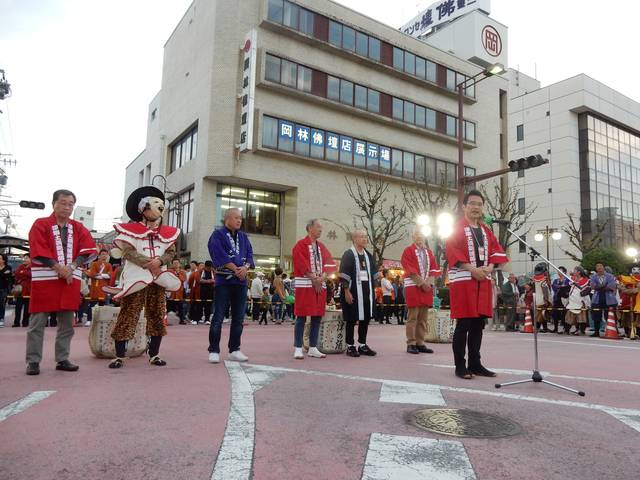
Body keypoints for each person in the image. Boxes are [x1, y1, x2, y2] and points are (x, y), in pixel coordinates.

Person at [105, 186, 180, 368]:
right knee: (129, 313)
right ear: (143, 209)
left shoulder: (167, 232)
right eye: (153, 205)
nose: (158, 209)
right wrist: (149, 262)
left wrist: (160, 260)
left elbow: (171, 252)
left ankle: (154, 354)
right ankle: (119, 355)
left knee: (157, 314)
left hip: (159, 278)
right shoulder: (131, 230)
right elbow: (127, 252)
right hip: (136, 278)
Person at [25, 189, 98, 375]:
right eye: (63, 203)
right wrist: (59, 267)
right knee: (37, 322)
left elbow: (87, 249)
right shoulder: (41, 224)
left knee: (67, 323)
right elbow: (37, 248)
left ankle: (62, 358)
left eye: (70, 204)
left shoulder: (78, 227)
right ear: (53, 204)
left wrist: (71, 267)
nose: (67, 207)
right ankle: (33, 361)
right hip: (45, 279)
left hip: (69, 280)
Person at [445, 190, 508, 379]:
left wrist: (489, 267)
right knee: (463, 323)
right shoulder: (457, 228)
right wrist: (472, 269)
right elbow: (452, 251)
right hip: (464, 280)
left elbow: (497, 250)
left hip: (483, 281)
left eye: (479, 204)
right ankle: (460, 366)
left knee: (478, 324)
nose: (476, 207)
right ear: (464, 207)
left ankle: (475, 363)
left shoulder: (486, 230)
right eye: (472, 203)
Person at [207, 207, 254, 363]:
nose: (239, 220)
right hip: (224, 281)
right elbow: (217, 252)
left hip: (240, 282)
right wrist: (235, 268)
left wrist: (245, 268)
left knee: (239, 318)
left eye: (240, 218)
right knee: (218, 316)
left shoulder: (243, 236)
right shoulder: (217, 235)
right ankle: (213, 350)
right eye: (236, 217)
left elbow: (249, 254)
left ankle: (234, 349)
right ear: (227, 218)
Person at [291, 219, 336, 359]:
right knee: (301, 316)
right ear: (310, 228)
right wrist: (313, 278)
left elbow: (329, 263)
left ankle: (313, 347)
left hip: (319, 285)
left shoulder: (322, 247)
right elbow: (300, 262)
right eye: (318, 227)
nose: (320, 230)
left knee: (317, 316)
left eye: (321, 227)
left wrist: (321, 278)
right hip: (305, 285)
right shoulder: (300, 245)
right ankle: (298, 347)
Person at [338, 230, 379, 357]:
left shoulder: (368, 255)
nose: (365, 239)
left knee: (365, 319)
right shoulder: (348, 254)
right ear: (354, 239)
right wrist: (346, 291)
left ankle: (362, 344)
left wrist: (375, 290)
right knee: (351, 319)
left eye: (366, 237)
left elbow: (373, 273)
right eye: (362, 237)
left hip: (367, 293)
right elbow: (344, 274)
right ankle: (350, 346)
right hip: (353, 292)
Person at [401, 227, 441, 354]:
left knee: (423, 317)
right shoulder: (408, 251)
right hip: (413, 286)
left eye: (421, 234)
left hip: (426, 288)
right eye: (417, 234)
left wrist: (429, 283)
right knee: (413, 317)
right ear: (413, 237)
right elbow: (409, 269)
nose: (419, 237)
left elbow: (434, 269)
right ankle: (411, 343)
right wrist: (422, 283)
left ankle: (420, 342)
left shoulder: (429, 252)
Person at [589, 262, 617, 337]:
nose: (599, 268)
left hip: (609, 298)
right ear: (596, 269)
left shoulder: (610, 276)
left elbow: (612, 286)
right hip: (597, 298)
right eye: (597, 266)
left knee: (610, 315)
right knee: (596, 316)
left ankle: (613, 330)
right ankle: (596, 331)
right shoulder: (593, 277)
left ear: (603, 267)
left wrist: (599, 287)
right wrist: (603, 286)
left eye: (601, 266)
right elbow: (593, 286)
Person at [86, 248, 112, 325]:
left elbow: (110, 275)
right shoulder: (94, 263)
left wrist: (100, 275)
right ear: (99, 255)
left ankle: (101, 320)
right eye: (103, 254)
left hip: (104, 287)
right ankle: (89, 320)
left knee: (102, 304)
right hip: (95, 286)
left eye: (106, 254)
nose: (104, 256)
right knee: (92, 303)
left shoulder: (109, 265)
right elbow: (92, 274)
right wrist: (103, 275)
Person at [565, 266, 590, 335]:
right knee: (569, 316)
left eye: (575, 270)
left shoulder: (585, 280)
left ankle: (581, 330)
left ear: (578, 272)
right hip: (572, 300)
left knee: (581, 317)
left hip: (581, 300)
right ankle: (567, 330)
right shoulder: (573, 279)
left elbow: (587, 290)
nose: (573, 271)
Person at [619, 266, 640, 338]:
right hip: (627, 300)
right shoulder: (626, 279)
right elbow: (622, 288)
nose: (636, 275)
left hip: (637, 301)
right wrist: (630, 291)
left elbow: (638, 289)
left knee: (637, 318)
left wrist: (635, 290)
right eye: (635, 273)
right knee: (626, 317)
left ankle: (637, 332)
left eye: (637, 273)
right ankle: (627, 331)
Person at [13, 254, 32, 327]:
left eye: (27, 258)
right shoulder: (21, 266)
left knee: (27, 309)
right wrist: (25, 274)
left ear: (31, 259)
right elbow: (17, 274)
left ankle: (25, 322)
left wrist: (23, 273)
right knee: (18, 307)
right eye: (24, 258)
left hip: (29, 291)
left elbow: (31, 275)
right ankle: (16, 322)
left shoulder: (32, 267)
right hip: (20, 291)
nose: (25, 259)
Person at [551, 267, 571, 333]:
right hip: (557, 298)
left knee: (565, 314)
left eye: (560, 271)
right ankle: (555, 328)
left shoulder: (568, 280)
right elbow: (554, 287)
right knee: (555, 313)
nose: (559, 272)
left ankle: (566, 328)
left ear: (564, 272)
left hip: (565, 299)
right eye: (558, 271)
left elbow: (568, 288)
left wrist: (562, 287)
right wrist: (561, 287)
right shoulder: (556, 280)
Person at [168, 259, 187, 324]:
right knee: (169, 307)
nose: (176, 264)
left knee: (181, 307)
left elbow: (183, 279)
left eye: (177, 263)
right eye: (174, 263)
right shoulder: (169, 271)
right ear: (172, 264)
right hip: (171, 292)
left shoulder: (183, 272)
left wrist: (178, 273)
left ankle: (182, 320)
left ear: (179, 264)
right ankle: (167, 320)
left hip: (179, 292)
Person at [200, 260, 215, 325]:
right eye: (208, 267)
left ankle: (207, 319)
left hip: (211, 291)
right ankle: (199, 318)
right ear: (205, 267)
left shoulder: (213, 272)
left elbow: (216, 279)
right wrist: (208, 281)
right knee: (200, 305)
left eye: (210, 267)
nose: (209, 269)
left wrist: (213, 281)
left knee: (208, 306)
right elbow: (199, 280)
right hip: (202, 291)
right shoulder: (201, 271)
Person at [0, 253, 13, 328]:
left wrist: (3, 274)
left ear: (3, 260)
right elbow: (4, 275)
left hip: (4, 289)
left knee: (2, 304)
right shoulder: (6, 269)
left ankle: (1, 319)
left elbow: (7, 276)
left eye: (0, 258)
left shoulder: (8, 267)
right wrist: (3, 274)